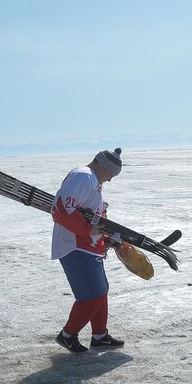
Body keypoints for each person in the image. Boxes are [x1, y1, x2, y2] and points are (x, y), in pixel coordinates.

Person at [51, 148, 127, 353]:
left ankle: (100, 336)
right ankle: (67, 335)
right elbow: (60, 209)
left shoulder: (93, 181)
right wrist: (88, 230)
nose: (110, 180)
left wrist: (105, 239)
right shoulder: (83, 177)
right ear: (102, 166)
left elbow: (91, 217)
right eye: (111, 174)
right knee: (93, 295)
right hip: (75, 245)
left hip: (88, 245)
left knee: (101, 291)